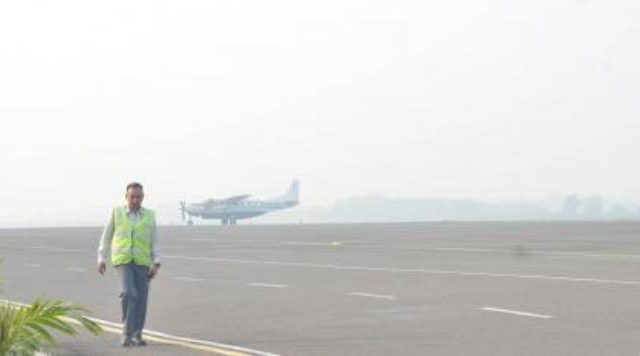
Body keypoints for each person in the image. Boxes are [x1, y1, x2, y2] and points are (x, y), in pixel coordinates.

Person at [97, 182, 161, 347]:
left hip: (142, 262)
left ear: (143, 197)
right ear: (126, 197)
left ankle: (137, 334)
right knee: (129, 293)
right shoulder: (117, 213)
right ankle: (126, 333)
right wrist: (101, 257)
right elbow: (107, 235)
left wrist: (156, 262)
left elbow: (154, 240)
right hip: (123, 260)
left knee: (141, 298)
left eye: (138, 196)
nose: (135, 199)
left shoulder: (149, 216)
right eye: (132, 196)